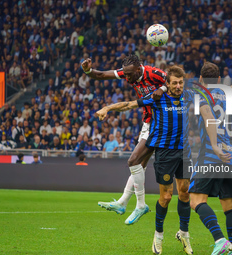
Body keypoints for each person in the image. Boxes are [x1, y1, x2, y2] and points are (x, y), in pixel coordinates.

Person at [97, 66, 195, 254]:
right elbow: (129, 104)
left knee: (184, 194)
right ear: (167, 83)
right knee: (166, 197)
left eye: (181, 82)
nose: (178, 86)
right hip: (165, 153)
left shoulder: (190, 97)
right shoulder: (157, 97)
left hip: (185, 151)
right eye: (174, 83)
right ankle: (158, 236)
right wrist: (108, 108)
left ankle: (184, 233)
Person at [82, 54, 166, 224]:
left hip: (161, 122)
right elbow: (100, 75)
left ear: (139, 68)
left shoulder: (153, 73)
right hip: (148, 120)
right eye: (125, 74)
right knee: (140, 164)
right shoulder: (128, 71)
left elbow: (174, 79)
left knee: (134, 161)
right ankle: (122, 203)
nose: (126, 77)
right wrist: (87, 70)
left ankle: (141, 205)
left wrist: (163, 89)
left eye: (129, 74)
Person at [188, 62, 232, 255]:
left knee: (196, 200)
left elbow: (209, 116)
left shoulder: (200, 95)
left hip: (210, 155)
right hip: (230, 157)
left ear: (200, 79)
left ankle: (220, 239)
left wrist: (215, 146)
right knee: (229, 205)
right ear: (218, 80)